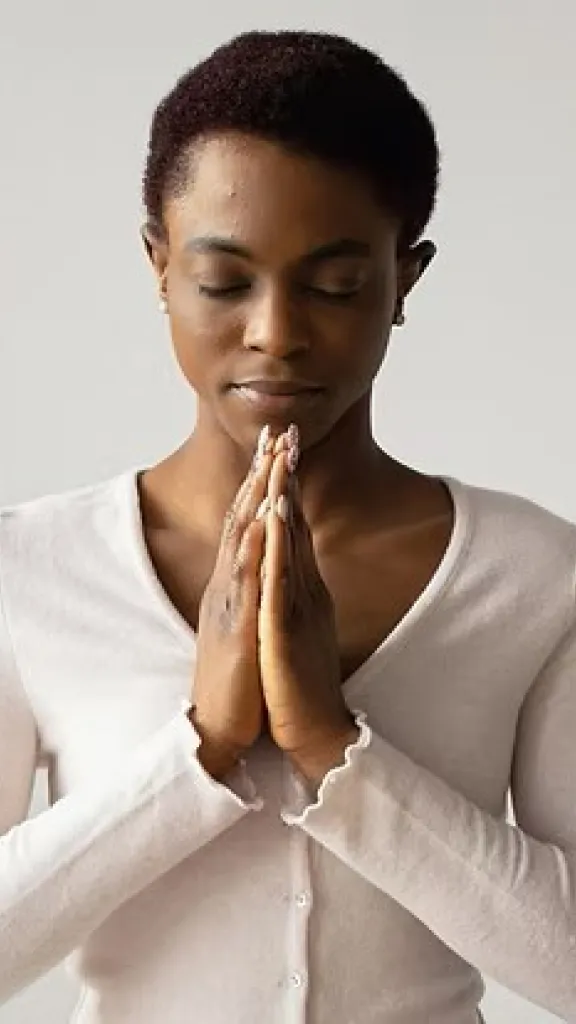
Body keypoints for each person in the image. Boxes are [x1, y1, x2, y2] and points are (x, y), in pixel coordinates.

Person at [0, 27, 574, 1024]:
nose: (275, 330)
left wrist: (330, 741)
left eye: (336, 285)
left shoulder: (535, 575)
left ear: (408, 279)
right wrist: (200, 750)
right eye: (224, 282)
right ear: (159, 266)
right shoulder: (30, 569)